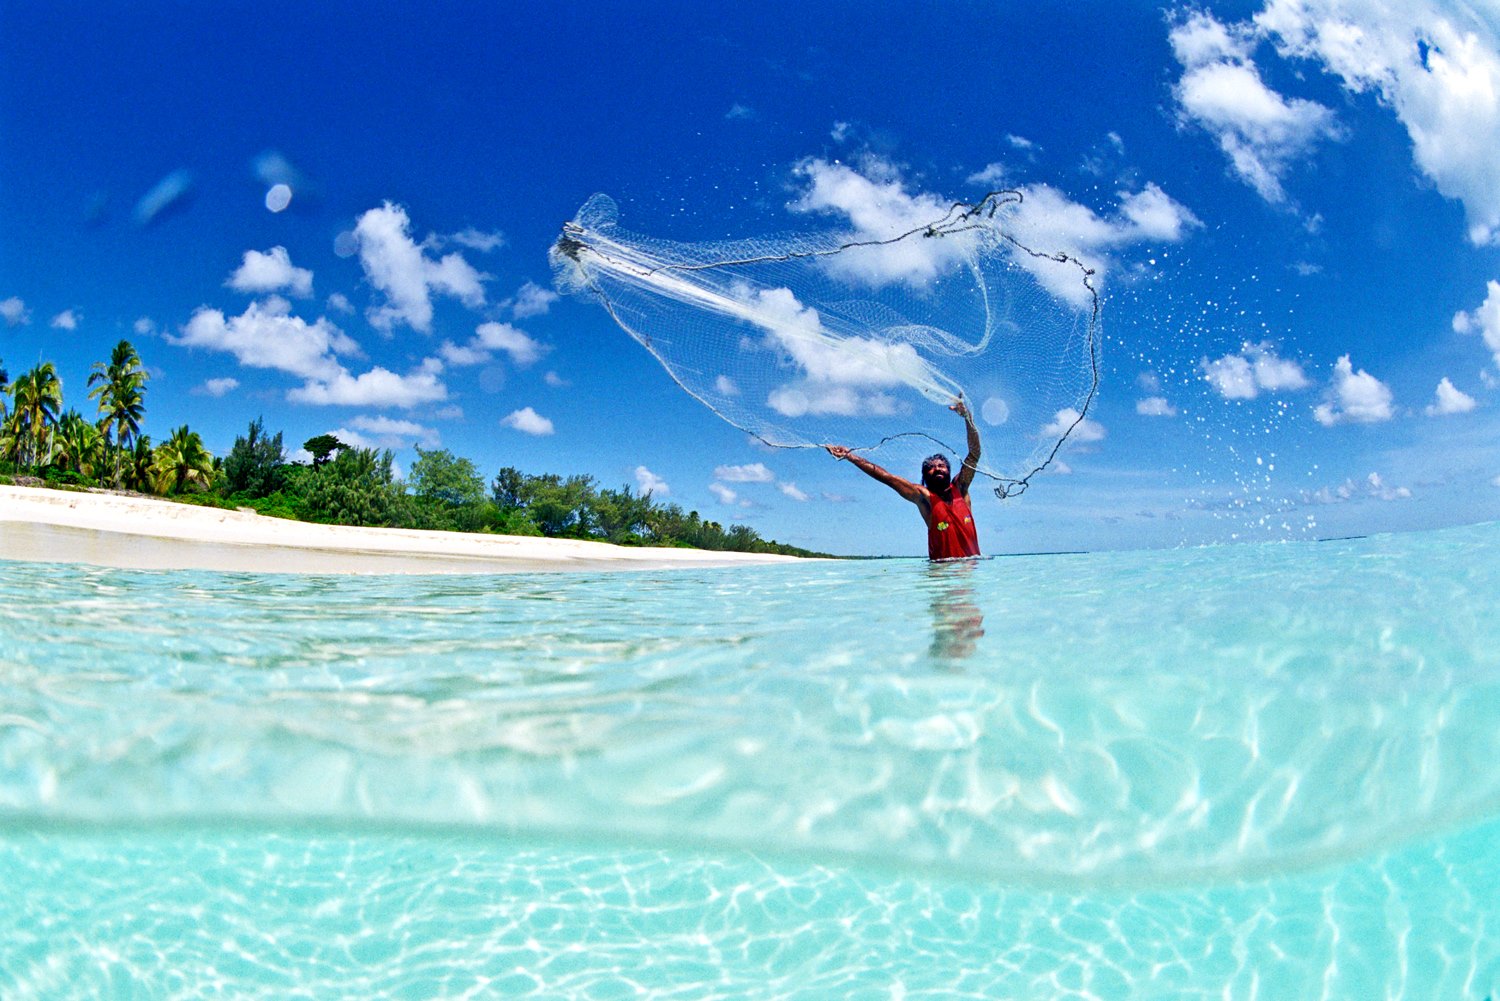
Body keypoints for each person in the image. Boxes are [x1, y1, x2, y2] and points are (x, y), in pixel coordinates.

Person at [823, 400, 982, 559]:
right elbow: (887, 478)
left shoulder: (961, 487)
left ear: (949, 470)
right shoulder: (924, 497)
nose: (937, 468)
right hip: (941, 575)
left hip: (971, 571)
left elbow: (974, 454)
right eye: (931, 468)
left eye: (941, 465)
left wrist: (967, 418)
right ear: (925, 476)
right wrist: (850, 456)